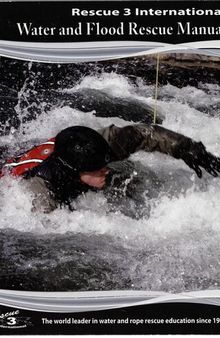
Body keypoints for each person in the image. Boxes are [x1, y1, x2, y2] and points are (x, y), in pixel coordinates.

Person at [1, 123, 220, 213]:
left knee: (124, 173)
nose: (105, 169)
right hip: (26, 177)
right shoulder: (39, 193)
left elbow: (145, 134)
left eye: (104, 163)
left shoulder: (98, 145)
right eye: (98, 168)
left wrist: (189, 149)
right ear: (76, 171)